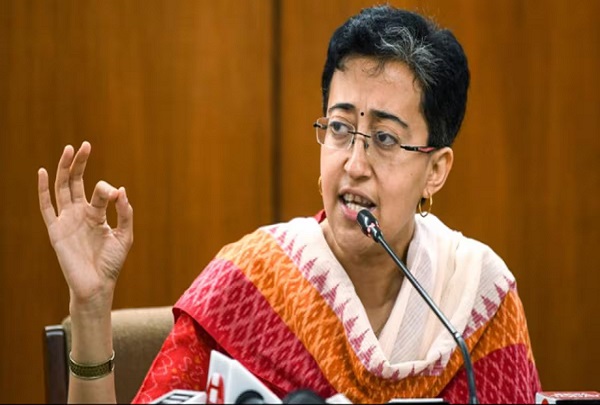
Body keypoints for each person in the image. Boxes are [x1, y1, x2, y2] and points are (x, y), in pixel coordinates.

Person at [37, 4, 542, 404]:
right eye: (340, 128)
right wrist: (91, 308)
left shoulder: (476, 301)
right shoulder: (250, 284)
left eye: (385, 139)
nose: (354, 163)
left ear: (436, 169)